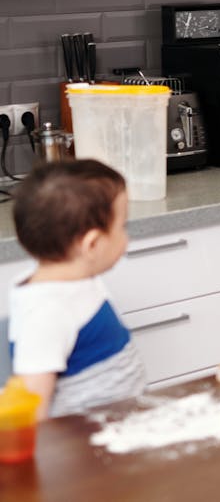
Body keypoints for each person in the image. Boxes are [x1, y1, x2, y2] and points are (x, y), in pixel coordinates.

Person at [8, 160, 146, 420]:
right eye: (122, 227)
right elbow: (31, 409)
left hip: (116, 432)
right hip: (81, 450)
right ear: (92, 245)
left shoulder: (78, 279)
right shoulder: (46, 311)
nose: (127, 237)